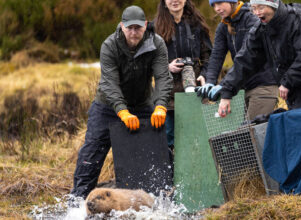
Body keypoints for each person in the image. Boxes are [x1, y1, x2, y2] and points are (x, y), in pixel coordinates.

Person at [70, 5, 173, 199]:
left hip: (143, 104)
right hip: (107, 106)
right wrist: (122, 112)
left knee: (155, 151)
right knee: (91, 154)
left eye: (138, 28)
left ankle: (157, 202)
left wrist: (160, 106)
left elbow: (163, 77)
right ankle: (77, 203)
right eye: (129, 28)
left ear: (145, 25)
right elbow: (110, 83)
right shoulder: (109, 45)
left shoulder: (157, 44)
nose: (133, 33)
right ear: (121, 26)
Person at [214, 0, 301, 117]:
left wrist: (287, 81)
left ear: (273, 5)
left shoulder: (296, 20)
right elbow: (246, 59)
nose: (256, 13)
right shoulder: (261, 28)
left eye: (261, 8)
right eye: (253, 8)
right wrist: (227, 90)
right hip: (291, 88)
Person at [196, 0, 278, 121]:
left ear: (232, 2)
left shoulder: (252, 20)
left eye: (220, 3)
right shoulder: (223, 26)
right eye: (214, 6)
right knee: (245, 134)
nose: (217, 9)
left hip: (263, 85)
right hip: (242, 87)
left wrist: (224, 85)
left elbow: (247, 57)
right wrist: (210, 81)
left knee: (254, 133)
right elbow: (216, 56)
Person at [153, 0, 212, 150]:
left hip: (195, 91)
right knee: (169, 139)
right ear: (164, 2)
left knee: (197, 136)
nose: (175, 1)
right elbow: (147, 60)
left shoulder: (197, 24)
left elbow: (208, 55)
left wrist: (205, 74)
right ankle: (172, 172)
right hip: (167, 95)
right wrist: (166, 66)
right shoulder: (155, 27)